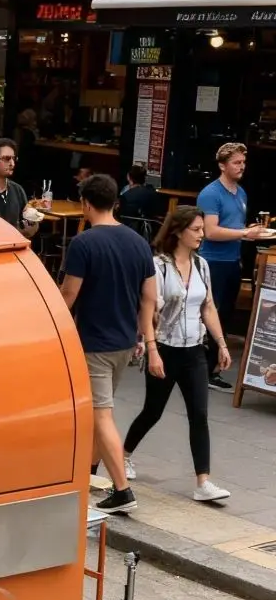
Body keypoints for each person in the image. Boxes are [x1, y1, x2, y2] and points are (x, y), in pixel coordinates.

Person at [60, 173, 157, 514]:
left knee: (101, 415)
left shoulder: (83, 244)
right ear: (115, 202)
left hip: (94, 344)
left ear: (86, 204)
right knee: (98, 412)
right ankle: (87, 475)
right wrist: (147, 338)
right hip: (124, 342)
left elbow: (69, 294)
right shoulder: (138, 242)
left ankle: (122, 490)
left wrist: (52, 325)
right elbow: (150, 297)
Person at [123, 206, 232, 504]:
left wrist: (221, 344)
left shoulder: (202, 266)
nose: (201, 234)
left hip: (194, 349)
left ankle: (203, 482)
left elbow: (208, 307)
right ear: (178, 231)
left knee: (200, 414)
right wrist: (152, 349)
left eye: (201, 229)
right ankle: (124, 455)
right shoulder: (158, 266)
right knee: (153, 410)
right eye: (195, 229)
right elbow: (148, 309)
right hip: (164, 348)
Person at [197, 142, 265, 392]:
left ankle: (212, 367)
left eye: (243, 162)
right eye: (236, 162)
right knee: (208, 313)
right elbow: (211, 231)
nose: (241, 167)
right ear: (222, 165)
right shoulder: (210, 194)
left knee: (224, 314)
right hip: (214, 261)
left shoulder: (242, 193)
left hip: (232, 260)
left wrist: (250, 231)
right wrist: (244, 233)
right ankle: (202, 369)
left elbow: (236, 225)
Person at [118, 163, 161, 232]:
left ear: (128, 177)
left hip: (129, 232)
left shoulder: (126, 196)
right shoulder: (154, 194)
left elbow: (123, 219)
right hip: (151, 232)